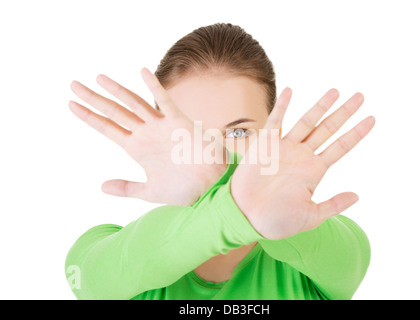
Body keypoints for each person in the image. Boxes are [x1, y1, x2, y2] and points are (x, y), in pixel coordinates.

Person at [65, 22, 375, 300]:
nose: (217, 154)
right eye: (192, 133)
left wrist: (224, 198)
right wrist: (233, 206)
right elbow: (94, 282)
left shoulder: (323, 247)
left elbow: (347, 259)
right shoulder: (103, 253)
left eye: (239, 132)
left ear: (274, 133)